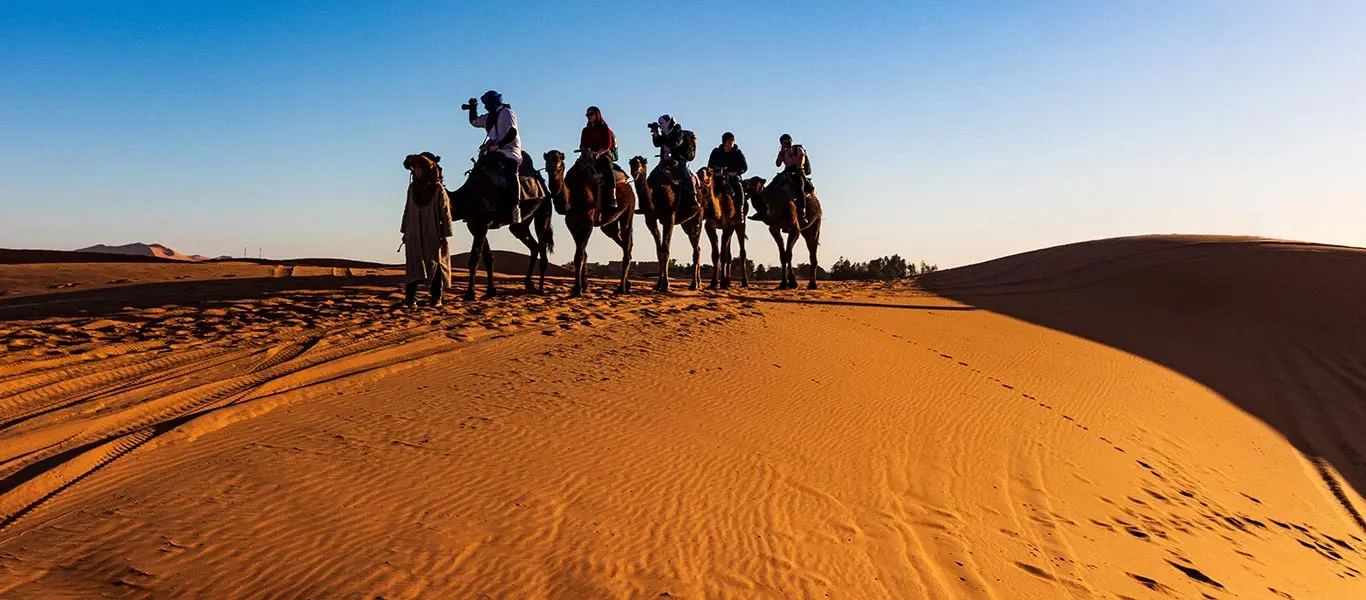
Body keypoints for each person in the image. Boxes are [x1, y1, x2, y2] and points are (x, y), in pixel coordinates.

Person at [399, 152, 454, 309]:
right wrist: (404, 231)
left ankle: (436, 298)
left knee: (434, 263)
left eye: (418, 167)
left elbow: (446, 213)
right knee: (413, 264)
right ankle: (410, 299)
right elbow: (407, 209)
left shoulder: (438, 189)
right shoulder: (412, 188)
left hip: (433, 231)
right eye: (413, 168)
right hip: (413, 231)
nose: (415, 171)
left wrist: (445, 234)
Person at [466, 90, 523, 223]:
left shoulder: (507, 114)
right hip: (492, 152)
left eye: (487, 104)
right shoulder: (489, 117)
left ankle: (515, 207)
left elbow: (512, 133)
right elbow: (474, 121)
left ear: (494, 103)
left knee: (511, 172)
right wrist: (473, 108)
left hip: (509, 151)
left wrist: (499, 145)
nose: (485, 106)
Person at [579, 106, 620, 217]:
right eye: (587, 115)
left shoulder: (603, 128)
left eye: (591, 114)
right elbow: (582, 144)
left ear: (597, 114)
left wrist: (598, 153)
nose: (589, 117)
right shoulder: (585, 130)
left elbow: (608, 145)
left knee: (607, 166)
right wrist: (584, 150)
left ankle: (612, 196)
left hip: (602, 155)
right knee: (576, 169)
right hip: (588, 156)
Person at [648, 114, 696, 209]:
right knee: (650, 179)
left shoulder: (678, 132)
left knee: (686, 177)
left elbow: (675, 143)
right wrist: (655, 133)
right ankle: (647, 202)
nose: (660, 125)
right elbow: (657, 144)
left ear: (668, 123)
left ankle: (693, 198)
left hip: (678, 161)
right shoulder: (665, 134)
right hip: (665, 162)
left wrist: (663, 138)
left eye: (661, 123)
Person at [707, 132, 749, 216]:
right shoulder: (716, 152)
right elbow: (710, 166)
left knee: (738, 186)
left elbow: (744, 167)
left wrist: (736, 172)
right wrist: (715, 171)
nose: (731, 142)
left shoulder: (737, 153)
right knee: (707, 188)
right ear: (724, 142)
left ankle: (740, 209)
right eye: (729, 140)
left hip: (732, 177)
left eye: (732, 140)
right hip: (717, 176)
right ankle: (705, 210)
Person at [775, 133, 814, 219]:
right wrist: (781, 152)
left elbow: (802, 158)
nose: (787, 144)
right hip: (787, 171)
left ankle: (802, 209)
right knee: (774, 183)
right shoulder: (783, 152)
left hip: (797, 170)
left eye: (788, 141)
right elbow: (778, 164)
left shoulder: (798, 149)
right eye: (784, 142)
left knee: (799, 185)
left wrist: (799, 167)